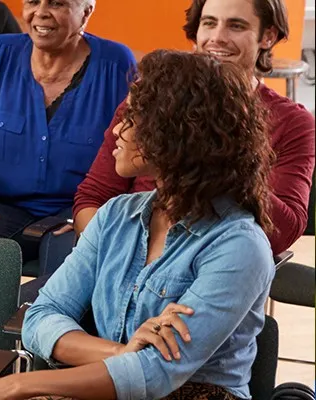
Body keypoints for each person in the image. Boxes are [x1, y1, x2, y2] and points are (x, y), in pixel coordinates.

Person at [0, 50, 276, 400]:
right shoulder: (115, 215)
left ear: (178, 134)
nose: (118, 129)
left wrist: (19, 384)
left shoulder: (240, 245)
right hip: (108, 385)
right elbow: (40, 317)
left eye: (134, 118)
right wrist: (116, 353)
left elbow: (155, 373)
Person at [72, 0, 313, 258]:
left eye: (236, 26)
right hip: (123, 253)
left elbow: (282, 232)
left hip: (216, 262)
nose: (217, 38)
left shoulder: (293, 122)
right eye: (209, 23)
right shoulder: (150, 97)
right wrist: (121, 259)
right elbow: (92, 198)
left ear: (267, 36)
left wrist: (220, 150)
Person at [0, 0, 134, 280]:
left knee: (71, 272)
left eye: (57, 3)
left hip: (76, 210)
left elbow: (136, 154)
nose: (41, 12)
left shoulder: (117, 66)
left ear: (86, 11)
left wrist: (95, 214)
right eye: (33, 1)